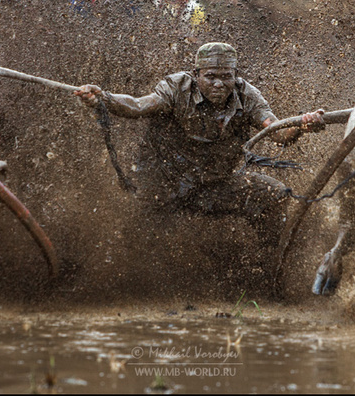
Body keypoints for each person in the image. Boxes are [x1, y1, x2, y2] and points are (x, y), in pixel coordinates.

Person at [73, 43, 326, 254]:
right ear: (197, 74)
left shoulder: (247, 95)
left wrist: (303, 125)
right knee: (142, 236)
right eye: (211, 76)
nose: (219, 84)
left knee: (274, 193)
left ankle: (267, 264)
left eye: (226, 76)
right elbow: (138, 106)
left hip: (213, 184)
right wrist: (104, 98)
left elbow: (278, 131)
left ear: (234, 76)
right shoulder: (177, 87)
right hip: (164, 182)